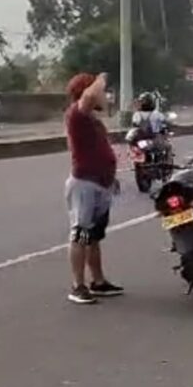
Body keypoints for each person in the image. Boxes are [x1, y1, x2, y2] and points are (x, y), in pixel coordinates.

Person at [64, 72, 123, 305]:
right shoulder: (76, 115)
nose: (104, 96)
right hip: (84, 184)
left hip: (101, 183)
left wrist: (111, 177)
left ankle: (98, 282)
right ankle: (78, 286)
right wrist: (101, 79)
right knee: (80, 234)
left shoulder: (93, 121)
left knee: (94, 237)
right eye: (101, 93)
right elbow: (88, 96)